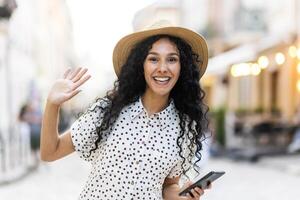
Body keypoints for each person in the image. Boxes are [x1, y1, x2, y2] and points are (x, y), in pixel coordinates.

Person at [40, 21, 211, 200]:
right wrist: (52, 105)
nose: (162, 68)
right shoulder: (108, 111)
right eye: (153, 59)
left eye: (172, 59)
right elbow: (50, 152)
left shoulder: (185, 128)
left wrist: (183, 197)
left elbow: (169, 185)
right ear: (141, 65)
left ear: (181, 67)